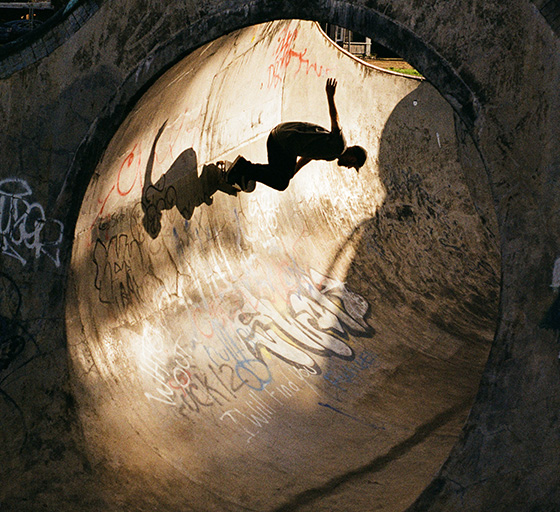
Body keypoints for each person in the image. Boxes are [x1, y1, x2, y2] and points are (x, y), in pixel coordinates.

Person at [225, 78, 367, 192]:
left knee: (283, 174)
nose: (348, 166)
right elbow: (335, 120)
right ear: (352, 154)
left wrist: (295, 170)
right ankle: (244, 168)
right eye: (352, 163)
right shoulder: (339, 146)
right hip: (281, 143)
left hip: (284, 141)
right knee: (281, 182)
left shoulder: (331, 154)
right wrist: (330, 96)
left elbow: (310, 155)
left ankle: (247, 171)